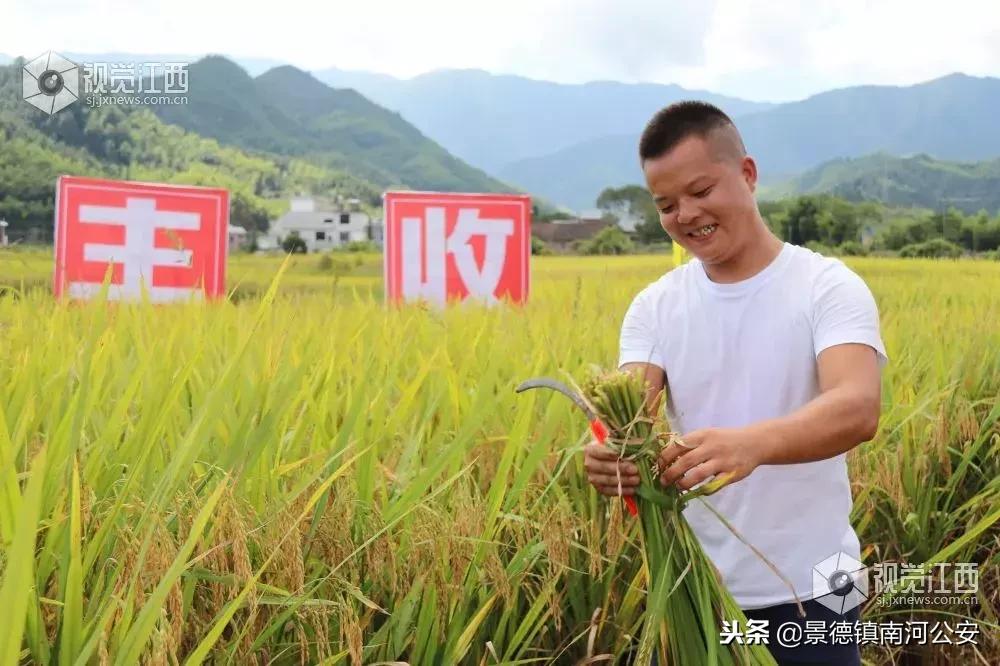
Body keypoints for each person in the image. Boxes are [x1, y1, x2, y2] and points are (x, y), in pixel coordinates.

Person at [583, 101, 888, 666]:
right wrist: (609, 455)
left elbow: (857, 406)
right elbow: (627, 416)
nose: (686, 214)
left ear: (747, 174)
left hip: (813, 594)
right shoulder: (656, 306)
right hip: (693, 590)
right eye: (667, 204)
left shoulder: (826, 287)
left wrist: (750, 444)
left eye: (701, 191)